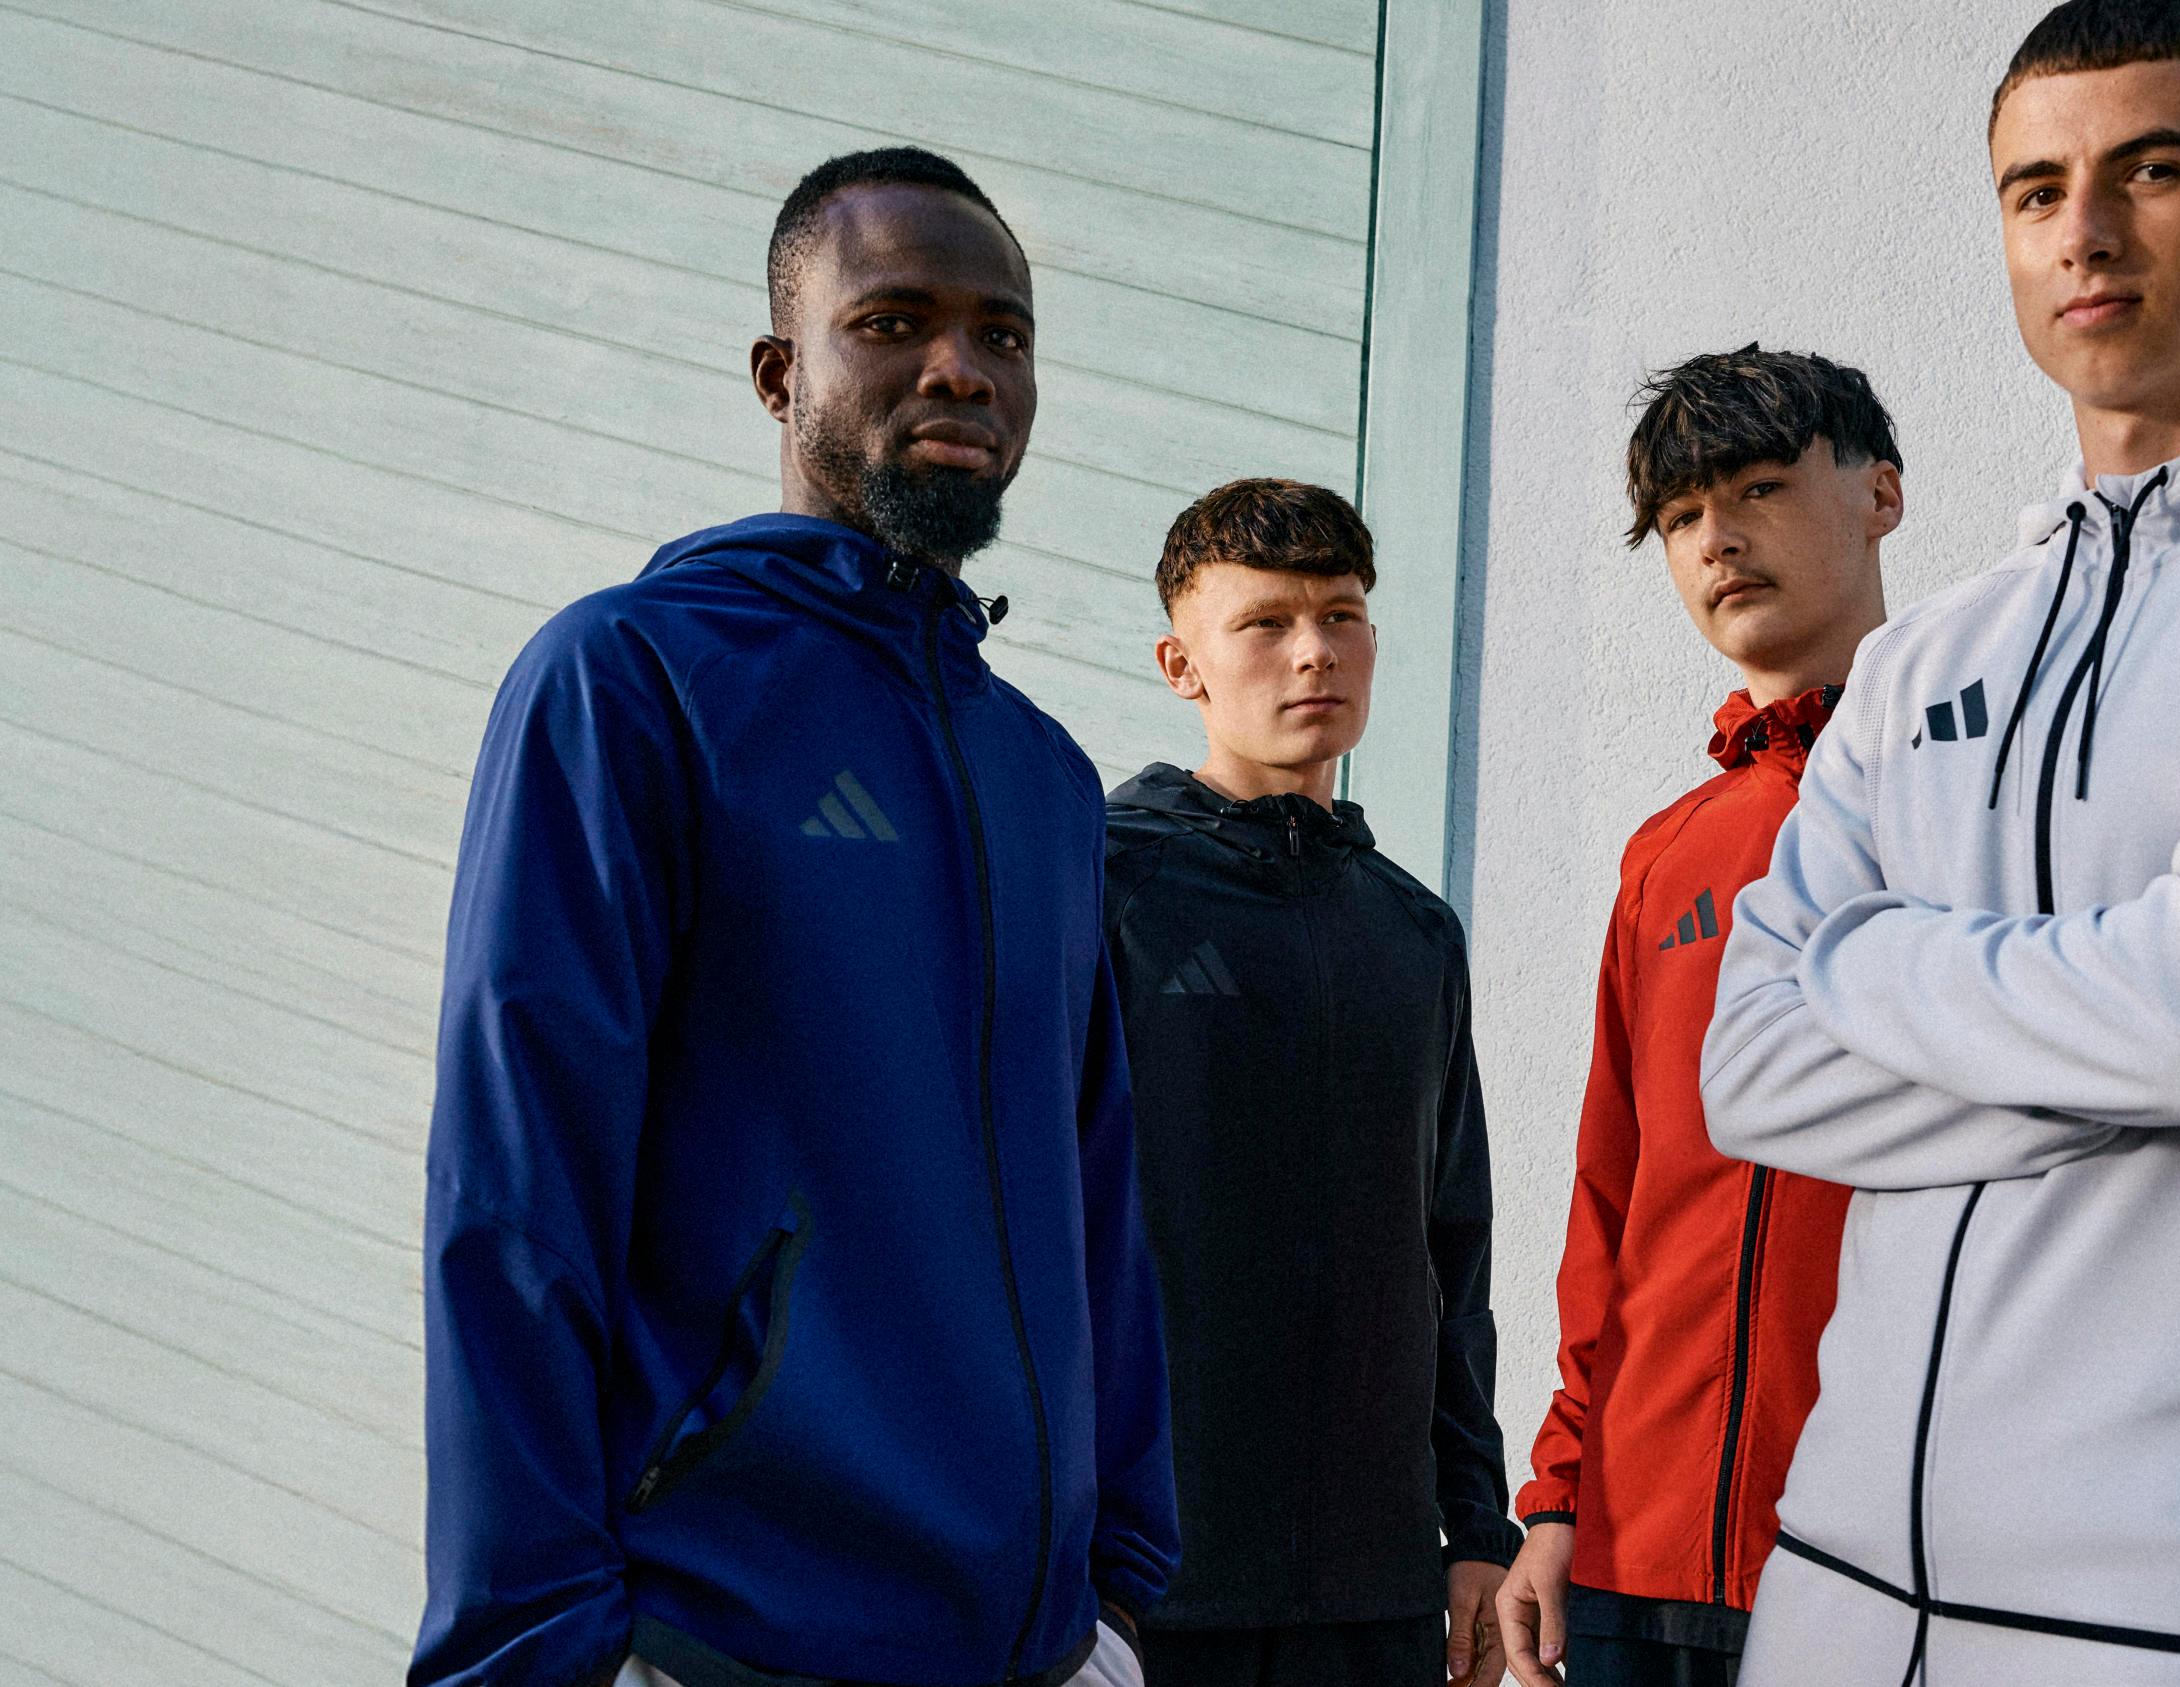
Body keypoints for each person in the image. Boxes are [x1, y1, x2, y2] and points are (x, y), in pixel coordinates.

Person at [411, 146, 1175, 1687]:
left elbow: (1097, 1192)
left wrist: (1117, 1589)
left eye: (1002, 334)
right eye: (893, 321)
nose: (960, 367)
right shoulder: (632, 678)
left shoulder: (1041, 773)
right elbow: (515, 1186)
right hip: (725, 1636)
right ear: (779, 373)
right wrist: (530, 1642)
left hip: (1031, 1649)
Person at [1701, 2, 2180, 1679]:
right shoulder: (1929, 649)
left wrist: (1865, 962)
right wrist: (2143, 1043)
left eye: (2152, 171)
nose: (2083, 232)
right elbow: (1752, 1071)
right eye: (2035, 190)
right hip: (1836, 1581)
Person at [1492, 349, 1904, 1687]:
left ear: (1880, 494)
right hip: (1637, 1543)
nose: (1717, 538)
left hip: (1882, 1544)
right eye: (1679, 516)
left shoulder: (1970, 801)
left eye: (1759, 488)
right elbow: (1614, 1191)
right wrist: (1558, 1495)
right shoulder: (1666, 853)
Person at [1100, 479, 1522, 1687]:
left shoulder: (1413, 931)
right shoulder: (1103, 887)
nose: (1312, 653)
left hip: (1373, 1594)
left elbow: (1453, 1252)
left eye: (1340, 616)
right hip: (1143, 1583)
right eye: (1266, 623)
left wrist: (1475, 1528)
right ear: (1181, 665)